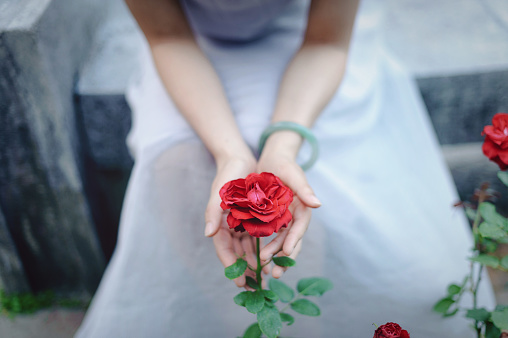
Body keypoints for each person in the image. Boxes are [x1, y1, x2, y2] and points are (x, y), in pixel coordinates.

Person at [76, 0, 496, 337]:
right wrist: (230, 155)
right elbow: (167, 36)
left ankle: (300, 327)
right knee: (180, 165)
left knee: (301, 182)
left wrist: (283, 142)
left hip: (314, 42)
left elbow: (326, 42)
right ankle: (238, 322)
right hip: (187, 45)